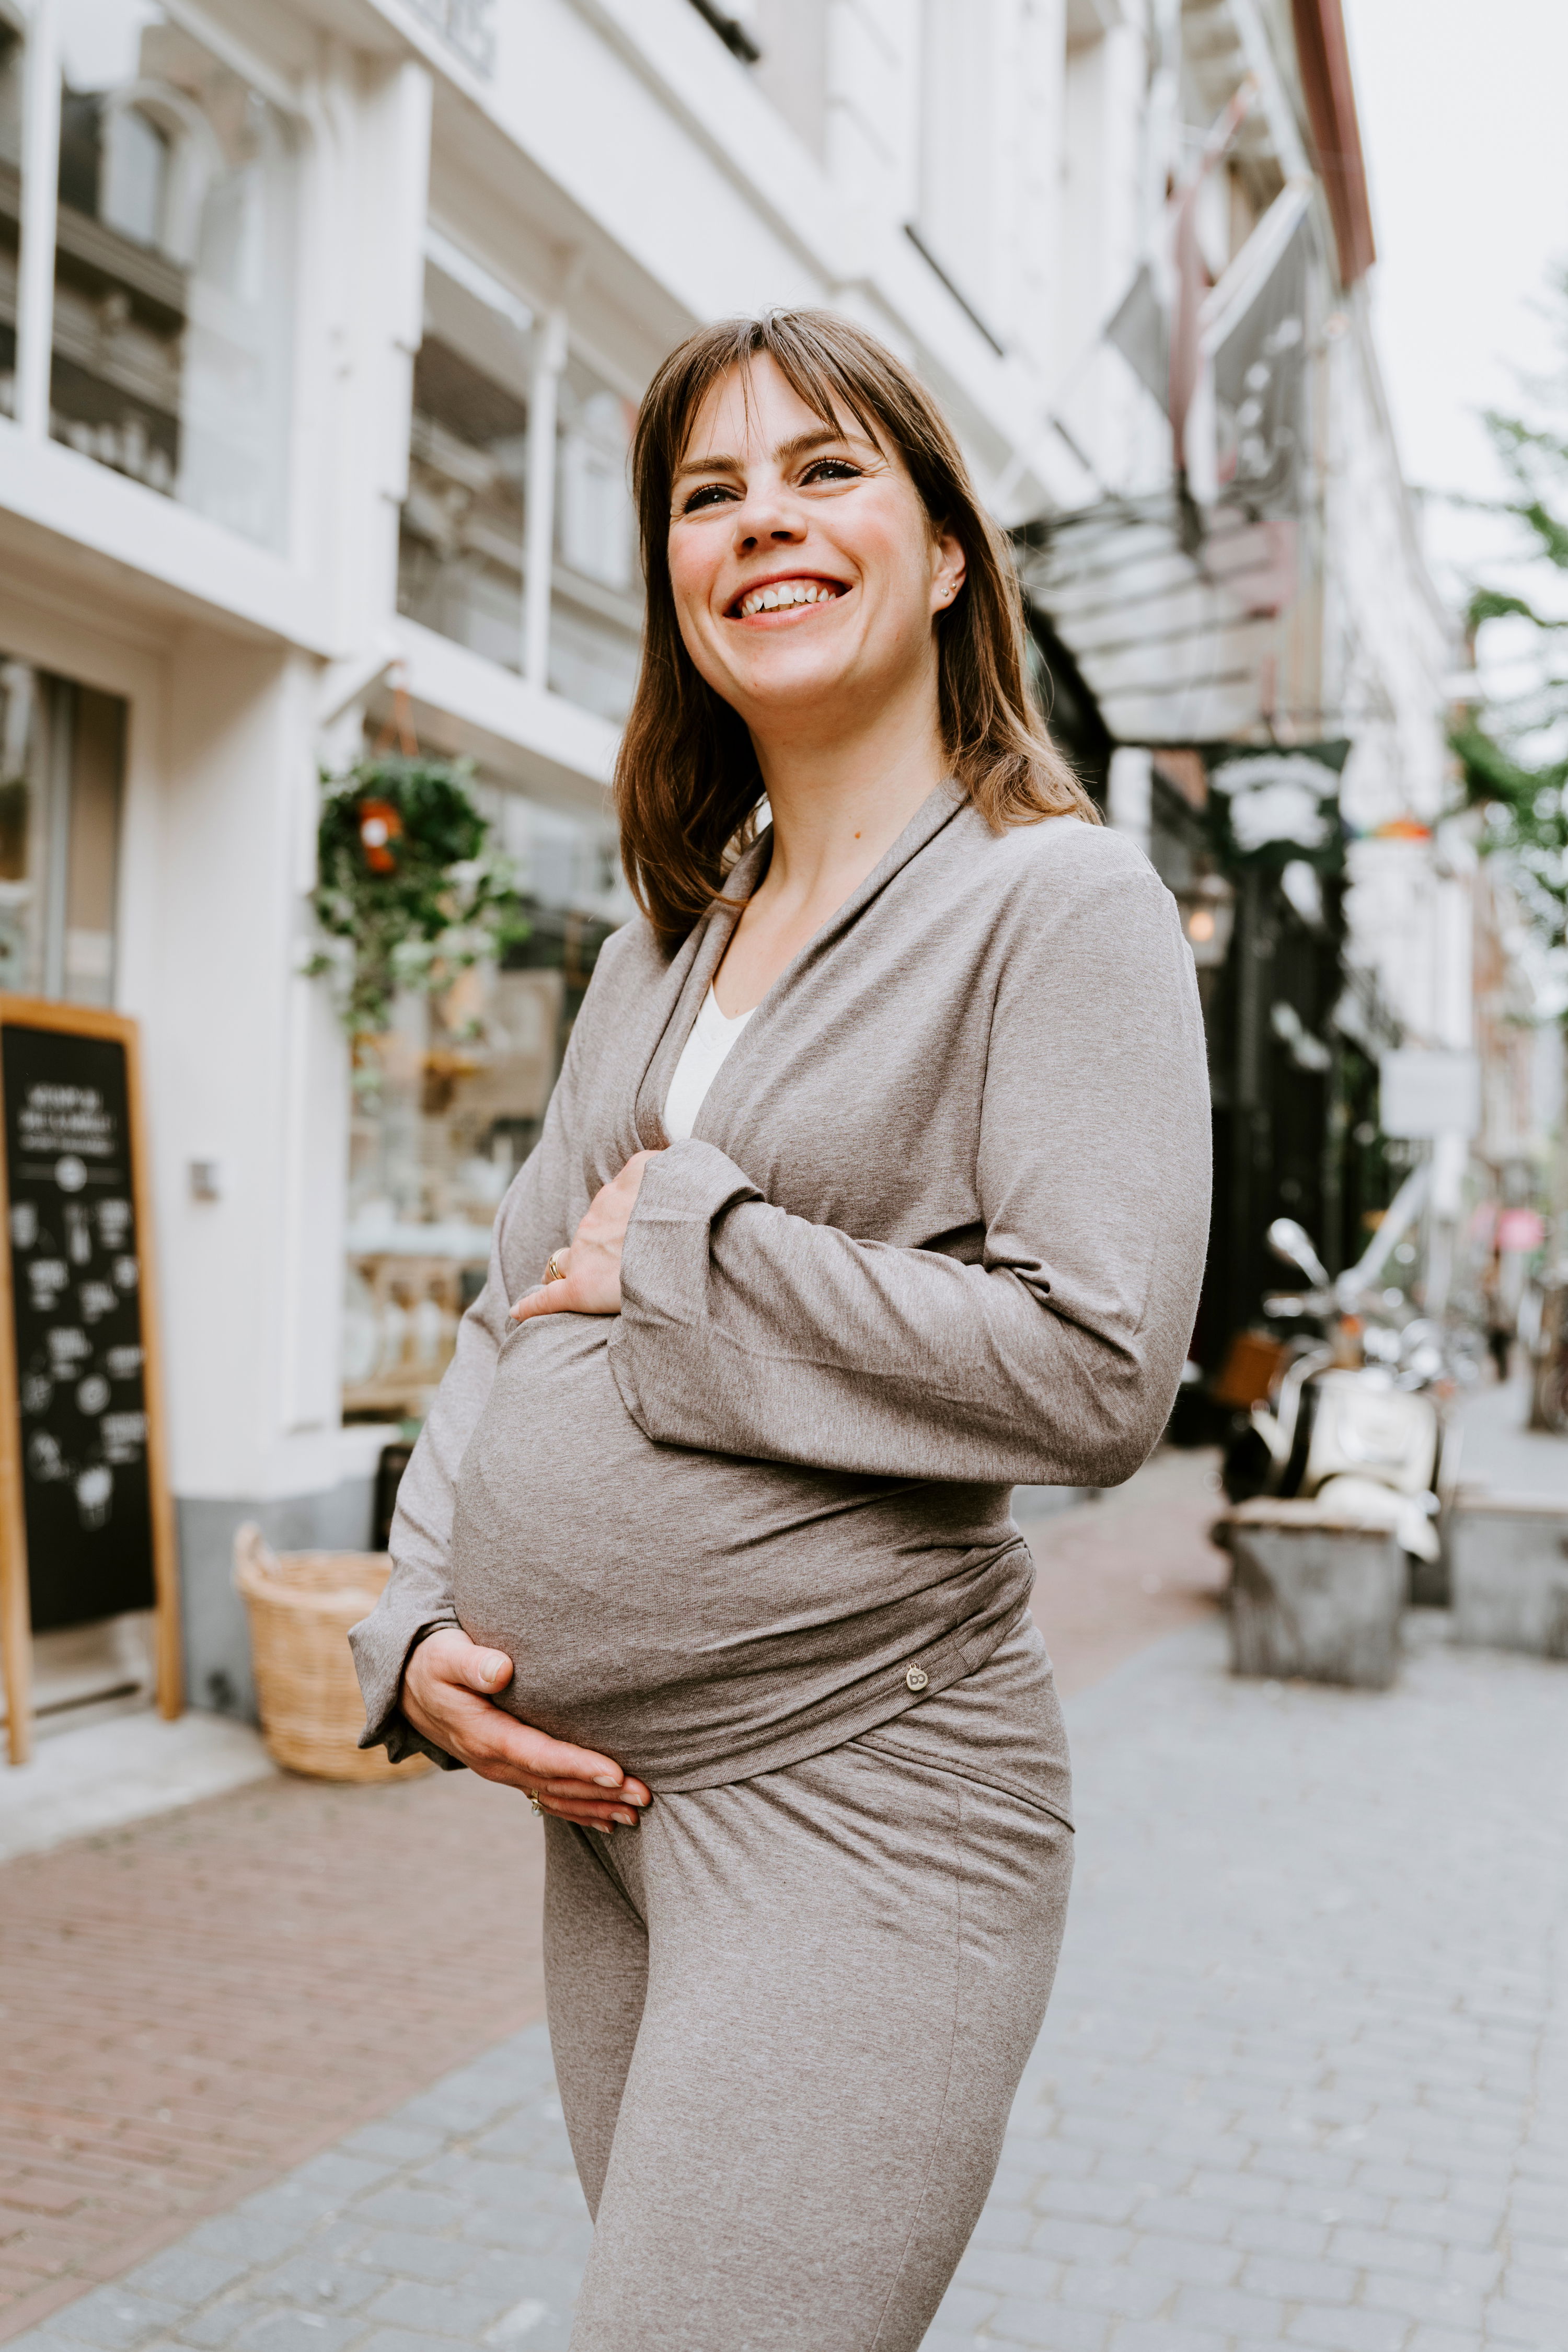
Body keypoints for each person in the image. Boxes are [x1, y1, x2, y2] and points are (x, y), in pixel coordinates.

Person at [351, 309, 1211, 2352]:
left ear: (943, 554)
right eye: (707, 494)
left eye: (826, 473)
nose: (763, 525)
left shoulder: (1055, 903)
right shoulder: (674, 926)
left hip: (866, 1799)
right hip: (609, 1823)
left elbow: (1102, 1368)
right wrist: (407, 1638)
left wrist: (699, 1244)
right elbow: (503, 1308)